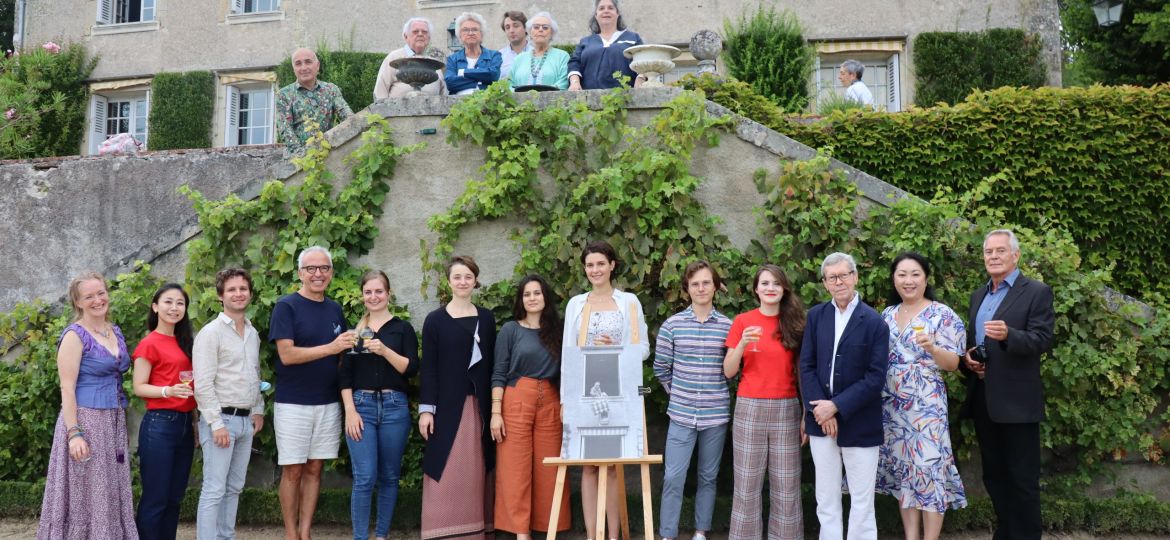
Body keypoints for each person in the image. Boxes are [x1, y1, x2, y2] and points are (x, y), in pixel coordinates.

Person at [961, 229, 1054, 540]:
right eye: (989, 252)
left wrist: (1009, 335)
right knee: (994, 475)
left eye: (1001, 251)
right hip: (985, 399)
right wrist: (970, 359)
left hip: (1018, 402)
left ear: (1016, 255)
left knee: (1023, 479)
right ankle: (1006, 533)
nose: (994, 256)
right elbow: (975, 342)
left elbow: (1042, 340)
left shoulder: (1036, 291)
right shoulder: (978, 295)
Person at [37, 272, 137, 539]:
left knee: (110, 490)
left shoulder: (114, 331)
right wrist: (74, 433)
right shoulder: (74, 336)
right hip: (86, 420)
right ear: (78, 302)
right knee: (88, 492)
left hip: (113, 420)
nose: (98, 300)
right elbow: (67, 388)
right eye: (89, 296)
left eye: (101, 293)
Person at [875, 253, 968, 540]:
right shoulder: (886, 315)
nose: (908, 280)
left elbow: (953, 363)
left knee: (928, 470)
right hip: (892, 405)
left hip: (926, 405)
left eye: (915, 274)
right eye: (902, 274)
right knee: (906, 472)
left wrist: (932, 348)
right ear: (894, 278)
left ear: (926, 278)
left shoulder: (942, 314)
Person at [562, 240, 650, 540]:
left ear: (612, 265)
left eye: (601, 263)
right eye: (590, 265)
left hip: (619, 391)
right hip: (585, 392)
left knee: (612, 466)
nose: (595, 269)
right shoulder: (576, 304)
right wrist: (566, 399)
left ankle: (613, 536)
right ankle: (592, 535)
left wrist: (618, 348)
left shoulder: (629, 302)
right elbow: (568, 355)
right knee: (587, 466)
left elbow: (644, 349)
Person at [799, 252, 889, 540]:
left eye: (844, 275)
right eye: (832, 277)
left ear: (855, 277)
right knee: (826, 498)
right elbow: (807, 366)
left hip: (860, 422)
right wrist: (819, 411)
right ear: (825, 283)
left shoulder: (874, 322)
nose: (839, 281)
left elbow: (875, 377)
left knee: (862, 501)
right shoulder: (816, 316)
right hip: (819, 421)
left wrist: (835, 407)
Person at [268, 246, 355, 540]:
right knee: (293, 470)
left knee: (316, 469)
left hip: (328, 402)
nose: (318, 274)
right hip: (293, 403)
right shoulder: (286, 306)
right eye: (311, 269)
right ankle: (291, 534)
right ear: (300, 273)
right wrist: (332, 348)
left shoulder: (334, 309)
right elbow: (287, 355)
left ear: (331, 273)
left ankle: (306, 532)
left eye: (324, 268)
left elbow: (343, 356)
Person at [723, 264, 807, 540]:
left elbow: (804, 372)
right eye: (765, 283)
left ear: (784, 289)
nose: (770, 288)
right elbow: (729, 370)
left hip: (786, 408)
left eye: (776, 284)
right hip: (750, 407)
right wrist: (742, 345)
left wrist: (806, 414)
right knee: (747, 486)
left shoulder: (795, 323)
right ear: (756, 289)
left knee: (786, 486)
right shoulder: (742, 321)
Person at [653, 261, 733, 540]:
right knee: (673, 477)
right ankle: (667, 534)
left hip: (715, 416)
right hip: (682, 415)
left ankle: (701, 531)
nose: (701, 288)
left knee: (708, 477)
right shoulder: (672, 325)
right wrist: (678, 394)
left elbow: (733, 370)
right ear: (687, 288)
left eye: (706, 282)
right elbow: (661, 367)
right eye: (695, 283)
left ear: (715, 286)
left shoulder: (728, 326)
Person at [419, 256, 497, 540]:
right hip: (446, 407)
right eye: (457, 277)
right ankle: (442, 529)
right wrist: (427, 410)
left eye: (468, 277)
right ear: (448, 281)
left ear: (475, 281)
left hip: (479, 408)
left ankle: (476, 529)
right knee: (446, 465)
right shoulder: (435, 321)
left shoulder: (487, 318)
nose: (463, 282)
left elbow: (492, 366)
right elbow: (428, 367)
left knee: (476, 467)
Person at [339, 270, 419, 540]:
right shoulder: (355, 332)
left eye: (378, 291)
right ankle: (360, 537)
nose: (373, 296)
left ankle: (382, 535)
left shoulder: (402, 329)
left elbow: (410, 369)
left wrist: (384, 350)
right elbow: (344, 376)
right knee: (365, 477)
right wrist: (350, 411)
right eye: (368, 292)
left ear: (388, 294)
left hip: (395, 407)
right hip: (361, 407)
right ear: (362, 296)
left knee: (389, 476)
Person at [490, 275, 570, 539]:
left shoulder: (559, 331)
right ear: (521, 300)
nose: (532, 298)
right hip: (516, 401)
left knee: (550, 469)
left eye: (537, 293)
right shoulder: (510, 330)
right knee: (515, 469)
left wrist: (565, 402)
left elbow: (570, 370)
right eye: (527, 294)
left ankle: (548, 531)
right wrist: (495, 413)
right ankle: (521, 533)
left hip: (550, 401)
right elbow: (499, 372)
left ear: (545, 297)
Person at [192, 267, 265, 540]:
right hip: (221, 421)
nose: (238, 294)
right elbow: (203, 383)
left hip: (246, 422)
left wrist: (258, 409)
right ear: (220, 295)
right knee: (214, 489)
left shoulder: (252, 333)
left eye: (243, 289)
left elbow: (255, 374)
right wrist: (216, 424)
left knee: (234, 487)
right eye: (232, 289)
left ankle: (226, 537)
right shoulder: (211, 333)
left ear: (250, 293)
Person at [132, 283, 198, 540]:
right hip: (160, 424)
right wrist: (166, 391)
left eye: (180, 303)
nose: (174, 308)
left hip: (183, 424)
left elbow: (191, 388)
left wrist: (193, 425)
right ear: (155, 307)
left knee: (174, 498)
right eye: (168, 302)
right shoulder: (149, 343)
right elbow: (139, 387)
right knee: (156, 497)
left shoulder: (186, 342)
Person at [276, 47, 353, 155]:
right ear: (293, 69)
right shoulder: (284, 95)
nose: (304, 67)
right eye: (298, 64)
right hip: (299, 162)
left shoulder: (331, 89)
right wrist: (302, 156)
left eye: (308, 62)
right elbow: (285, 129)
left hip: (329, 153)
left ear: (317, 65)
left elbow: (347, 115)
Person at [568, 0, 645, 90]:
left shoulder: (633, 38)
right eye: (601, 8)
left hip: (626, 96)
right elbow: (574, 63)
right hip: (589, 98)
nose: (606, 11)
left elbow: (645, 60)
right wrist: (574, 82)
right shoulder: (585, 41)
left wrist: (641, 78)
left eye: (610, 8)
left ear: (618, 13)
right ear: (596, 15)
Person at [374, 17, 447, 99]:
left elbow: (443, 93)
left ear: (429, 38)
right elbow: (380, 91)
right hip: (399, 111)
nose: (420, 34)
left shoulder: (433, 61)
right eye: (415, 31)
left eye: (424, 32)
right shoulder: (394, 58)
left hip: (433, 111)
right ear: (406, 36)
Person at [509, 12, 570, 90]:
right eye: (536, 27)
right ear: (530, 33)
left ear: (552, 33)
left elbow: (563, 83)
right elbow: (509, 84)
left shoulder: (562, 56)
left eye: (545, 27)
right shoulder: (519, 59)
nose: (540, 29)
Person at [445, 12, 502, 95]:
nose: (470, 33)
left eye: (475, 29)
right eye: (465, 30)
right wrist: (480, 81)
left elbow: (493, 75)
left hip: (487, 103)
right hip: (458, 104)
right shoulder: (452, 59)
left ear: (481, 34)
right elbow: (450, 83)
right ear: (459, 35)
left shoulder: (494, 55)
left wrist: (463, 72)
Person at [499, 11, 532, 80]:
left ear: (525, 28)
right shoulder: (499, 57)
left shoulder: (537, 53)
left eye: (516, 26)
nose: (511, 30)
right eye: (507, 27)